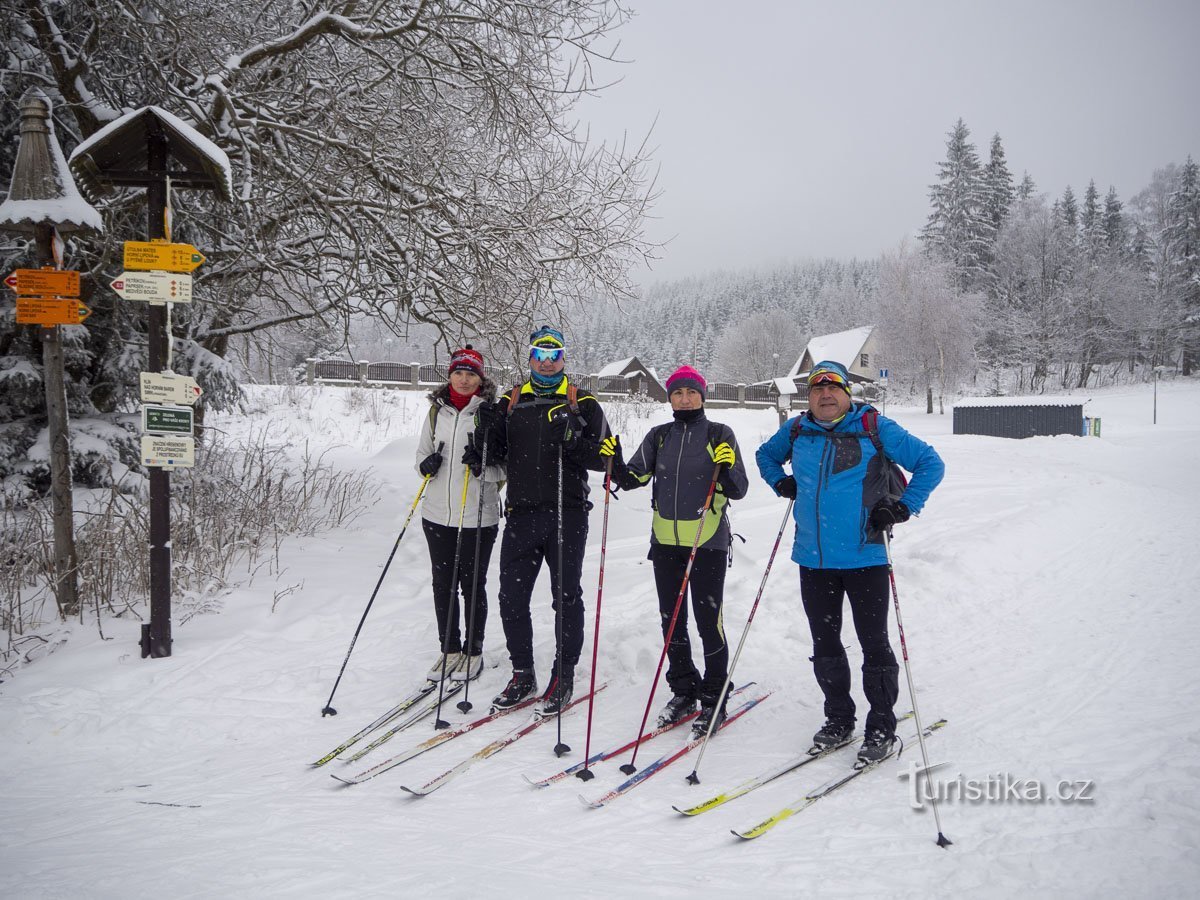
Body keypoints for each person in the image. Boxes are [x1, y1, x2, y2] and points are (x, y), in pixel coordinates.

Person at [755, 359, 945, 764]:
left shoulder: (874, 427)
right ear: (809, 397)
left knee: (873, 643)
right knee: (824, 644)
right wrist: (780, 482)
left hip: (866, 555)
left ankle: (881, 724)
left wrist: (903, 507)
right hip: (813, 558)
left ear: (846, 392)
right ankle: (839, 718)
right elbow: (765, 456)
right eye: (817, 389)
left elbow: (930, 463)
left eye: (833, 388)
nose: (825, 395)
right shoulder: (797, 430)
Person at [465, 326, 609, 715]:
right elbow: (494, 456)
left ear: (564, 358)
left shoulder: (582, 403)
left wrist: (574, 442)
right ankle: (523, 673)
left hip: (567, 513)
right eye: (540, 355)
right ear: (529, 358)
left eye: (554, 355)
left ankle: (564, 674)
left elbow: (606, 458)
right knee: (511, 598)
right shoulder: (512, 401)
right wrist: (483, 434)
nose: (547, 362)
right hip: (521, 514)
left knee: (566, 597)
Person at [601, 365, 748, 737]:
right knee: (671, 621)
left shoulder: (719, 434)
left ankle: (714, 695)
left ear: (702, 396)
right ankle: (683, 689)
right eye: (678, 393)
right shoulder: (660, 436)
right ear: (669, 398)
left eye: (691, 392)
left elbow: (739, 488)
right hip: (665, 543)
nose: (684, 399)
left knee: (708, 621)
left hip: (707, 541)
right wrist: (612, 461)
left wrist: (726, 466)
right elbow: (633, 478)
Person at [414, 345, 503, 684]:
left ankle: (473, 650)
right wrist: (426, 466)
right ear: (450, 376)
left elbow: (504, 469)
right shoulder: (437, 412)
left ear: (481, 379)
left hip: (478, 515)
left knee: (473, 585)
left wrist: (482, 467)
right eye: (459, 373)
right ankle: (449, 649)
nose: (464, 380)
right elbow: (421, 456)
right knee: (443, 585)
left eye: (471, 374)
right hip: (437, 514)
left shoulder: (492, 412)